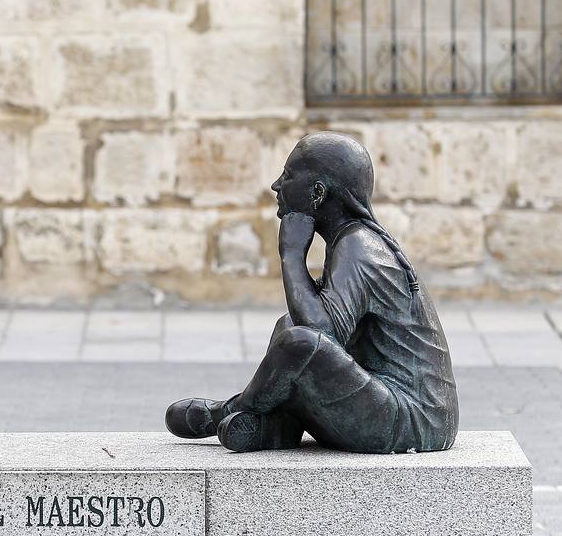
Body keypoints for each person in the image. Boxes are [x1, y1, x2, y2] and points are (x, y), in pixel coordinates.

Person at [166, 132, 458, 454]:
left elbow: (320, 335)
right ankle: (278, 428)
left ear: (317, 193)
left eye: (288, 176)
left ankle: (230, 410)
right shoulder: (350, 241)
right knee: (288, 326)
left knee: (298, 342)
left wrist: (291, 255)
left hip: (414, 421)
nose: (276, 186)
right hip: (397, 410)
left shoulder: (359, 247)